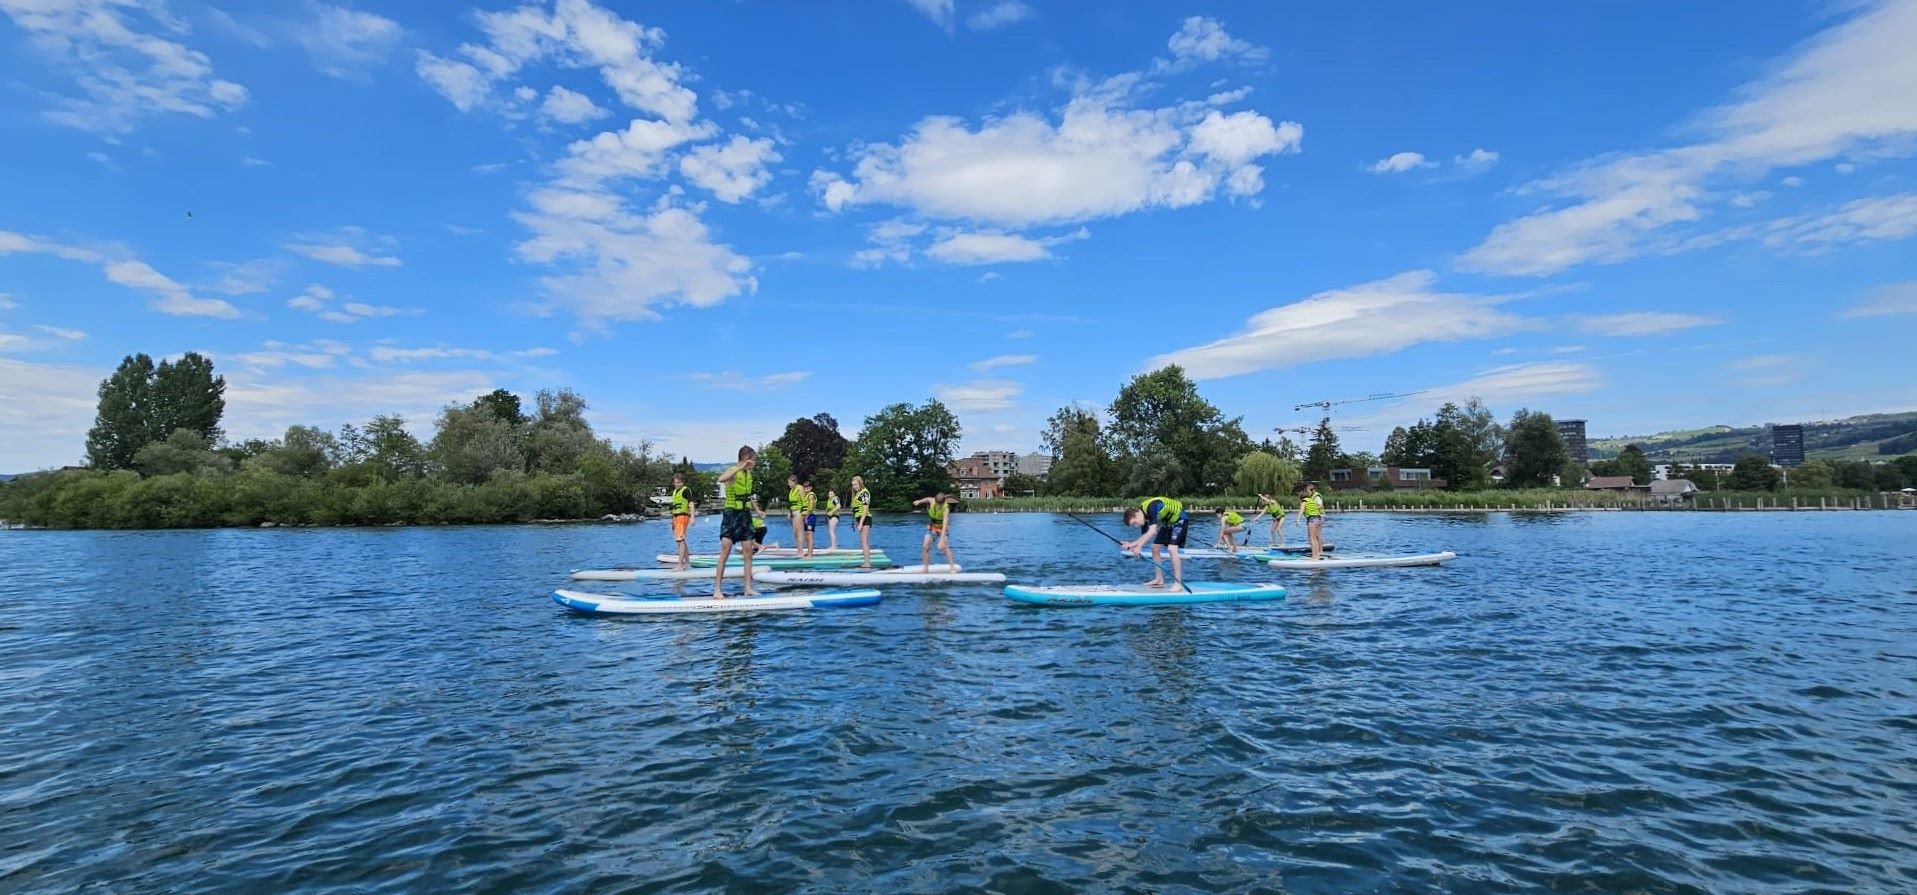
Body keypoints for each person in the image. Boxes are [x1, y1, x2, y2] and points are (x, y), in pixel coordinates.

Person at [712, 446, 759, 599]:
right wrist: (739, 467)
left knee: (748, 552)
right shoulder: (733, 471)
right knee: (725, 551)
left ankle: (748, 588)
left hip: (745, 516)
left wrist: (757, 510)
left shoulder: (748, 475)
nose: (755, 463)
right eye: (753, 460)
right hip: (731, 515)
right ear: (747, 458)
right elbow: (721, 479)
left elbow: (748, 496)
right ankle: (717, 590)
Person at [1121, 496, 1187, 589]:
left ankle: (1178, 583)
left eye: (1135, 523)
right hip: (1168, 523)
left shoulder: (1151, 508)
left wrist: (1139, 547)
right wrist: (1132, 544)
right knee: (1154, 549)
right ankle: (1159, 579)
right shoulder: (1143, 516)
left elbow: (1152, 531)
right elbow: (1145, 536)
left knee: (1172, 549)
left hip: (1180, 519)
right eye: (1134, 525)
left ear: (1137, 514)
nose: (1136, 526)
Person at [914, 492, 958, 573]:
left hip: (942, 529)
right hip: (932, 528)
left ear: (943, 503)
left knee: (944, 547)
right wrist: (919, 501)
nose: (938, 506)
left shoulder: (946, 509)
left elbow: (945, 525)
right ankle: (925, 568)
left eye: (940, 505)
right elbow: (927, 499)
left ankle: (952, 568)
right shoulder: (932, 501)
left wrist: (941, 540)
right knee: (925, 546)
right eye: (937, 504)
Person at [668, 471, 697, 571]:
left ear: (683, 482)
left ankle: (680, 565)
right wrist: (672, 521)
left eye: (679, 482)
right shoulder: (675, 492)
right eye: (676, 483)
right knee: (681, 541)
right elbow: (674, 508)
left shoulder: (686, 490)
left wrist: (692, 517)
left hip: (683, 517)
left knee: (680, 540)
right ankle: (687, 563)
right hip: (676, 518)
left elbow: (691, 503)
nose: (677, 484)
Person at [850, 475, 875, 568]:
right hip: (859, 519)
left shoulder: (864, 493)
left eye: (856, 484)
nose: (854, 486)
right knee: (862, 541)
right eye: (853, 485)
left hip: (865, 519)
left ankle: (867, 563)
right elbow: (856, 510)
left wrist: (860, 523)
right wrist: (857, 522)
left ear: (860, 483)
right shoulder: (857, 493)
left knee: (864, 542)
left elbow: (865, 509)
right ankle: (866, 562)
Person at [1298, 481, 1327, 560]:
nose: (1307, 492)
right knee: (1313, 536)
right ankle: (1316, 552)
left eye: (1308, 491)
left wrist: (1314, 509)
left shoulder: (1317, 497)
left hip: (1320, 516)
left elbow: (1320, 506)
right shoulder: (1310, 498)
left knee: (1316, 535)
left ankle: (1319, 552)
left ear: (1312, 490)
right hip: (1316, 517)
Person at [786, 475, 807, 557]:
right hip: (793, 512)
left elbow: (804, 501)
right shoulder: (791, 490)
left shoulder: (800, 488)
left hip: (799, 512)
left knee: (799, 532)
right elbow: (791, 503)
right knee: (795, 532)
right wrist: (789, 512)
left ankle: (801, 552)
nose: (789, 484)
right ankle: (798, 551)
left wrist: (804, 513)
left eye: (790, 482)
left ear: (794, 482)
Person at [801, 483, 819, 558]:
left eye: (808, 487)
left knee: (810, 534)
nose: (806, 489)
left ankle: (810, 554)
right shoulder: (805, 496)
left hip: (810, 517)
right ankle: (808, 551)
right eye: (805, 487)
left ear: (811, 488)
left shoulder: (811, 495)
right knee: (806, 535)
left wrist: (806, 517)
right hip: (806, 517)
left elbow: (810, 508)